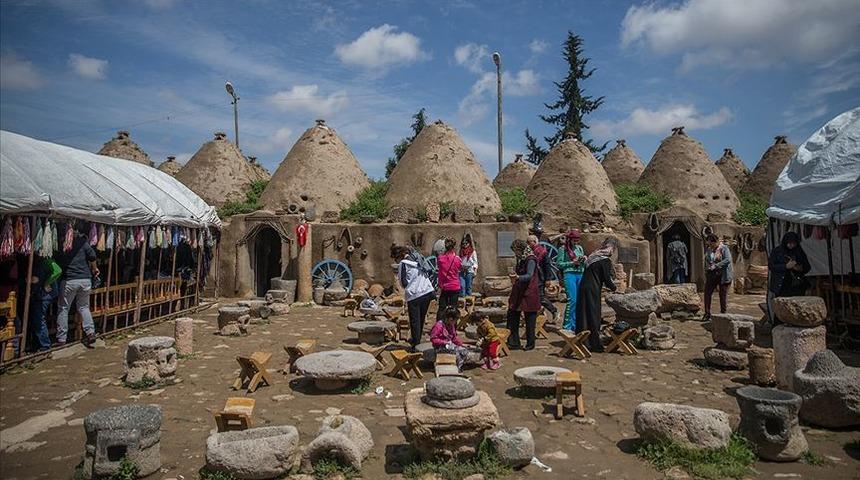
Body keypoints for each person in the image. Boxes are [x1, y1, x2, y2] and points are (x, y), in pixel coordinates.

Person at [55, 223, 99, 347]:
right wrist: (95, 269)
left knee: (63, 308)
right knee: (84, 307)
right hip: (85, 279)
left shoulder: (62, 244)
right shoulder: (82, 242)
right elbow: (92, 256)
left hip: (69, 280)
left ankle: (61, 339)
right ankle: (90, 333)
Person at [576, 237, 618, 352]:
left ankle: (582, 340)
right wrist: (615, 288)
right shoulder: (605, 260)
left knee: (584, 313)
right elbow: (606, 279)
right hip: (593, 289)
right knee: (593, 314)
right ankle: (593, 344)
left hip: (584, 287)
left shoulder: (594, 256)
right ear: (612, 248)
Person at [392, 245, 435, 350]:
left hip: (415, 295)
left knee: (415, 320)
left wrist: (410, 287)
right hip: (427, 291)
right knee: (421, 317)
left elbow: (403, 282)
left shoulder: (403, 264)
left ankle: (416, 345)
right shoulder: (418, 258)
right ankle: (417, 339)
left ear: (399, 256)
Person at [506, 239, 541, 351]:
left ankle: (530, 344)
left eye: (516, 251)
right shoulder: (521, 259)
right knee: (512, 314)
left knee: (530, 319)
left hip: (529, 293)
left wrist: (518, 277)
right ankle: (514, 341)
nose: (515, 254)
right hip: (519, 292)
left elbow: (529, 275)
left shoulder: (530, 260)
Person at [28, 256, 61, 352]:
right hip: (42, 294)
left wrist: (46, 283)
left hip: (43, 295)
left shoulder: (46, 260)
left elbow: (58, 271)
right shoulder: (44, 260)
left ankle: (45, 345)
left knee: (39, 319)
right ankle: (38, 344)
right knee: (37, 319)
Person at [555, 229, 586, 331]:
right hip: (569, 274)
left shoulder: (579, 248)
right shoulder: (562, 249)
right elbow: (559, 264)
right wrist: (572, 263)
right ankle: (567, 325)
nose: (576, 243)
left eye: (578, 240)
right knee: (572, 300)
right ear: (570, 239)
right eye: (574, 241)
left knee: (580, 301)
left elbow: (583, 262)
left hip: (580, 273)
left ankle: (576, 324)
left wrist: (583, 260)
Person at [768, 231, 811, 298]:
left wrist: (799, 268)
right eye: (789, 243)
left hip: (797, 284)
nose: (792, 245)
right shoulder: (777, 251)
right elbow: (771, 266)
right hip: (781, 284)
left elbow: (807, 267)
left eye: (794, 243)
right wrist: (785, 266)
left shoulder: (798, 251)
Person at [527, 235, 559, 322]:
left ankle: (554, 310)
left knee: (540, 297)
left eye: (529, 242)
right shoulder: (531, 251)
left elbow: (547, 265)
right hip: (533, 278)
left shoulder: (542, 252)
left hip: (540, 278)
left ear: (534, 242)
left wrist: (548, 278)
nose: (528, 244)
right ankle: (540, 315)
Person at [703, 234, 733, 321]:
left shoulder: (724, 248)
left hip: (722, 274)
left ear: (716, 242)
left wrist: (716, 265)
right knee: (707, 293)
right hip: (712, 274)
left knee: (722, 294)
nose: (710, 246)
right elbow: (707, 259)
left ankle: (723, 313)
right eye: (709, 244)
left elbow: (728, 260)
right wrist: (708, 266)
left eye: (711, 244)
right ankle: (707, 313)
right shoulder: (709, 249)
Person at [435, 238, 462, 320]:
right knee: (453, 308)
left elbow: (440, 270)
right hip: (454, 286)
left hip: (445, 286)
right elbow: (459, 268)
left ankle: (439, 325)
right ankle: (453, 327)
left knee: (442, 308)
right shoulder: (457, 259)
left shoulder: (440, 259)